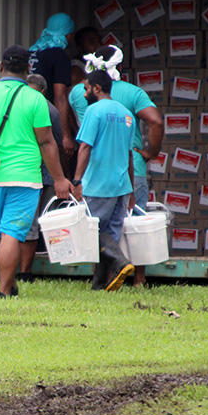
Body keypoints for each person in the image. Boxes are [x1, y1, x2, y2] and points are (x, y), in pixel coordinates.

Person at [0, 44, 72, 298]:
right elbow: (47, 143)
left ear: (0, 67)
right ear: (28, 68)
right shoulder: (35, 99)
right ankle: (4, 290)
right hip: (25, 178)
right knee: (12, 233)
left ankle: (9, 283)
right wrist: (60, 178)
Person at [81, 45, 163, 286]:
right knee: (127, 227)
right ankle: (134, 279)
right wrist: (151, 152)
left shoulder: (83, 95)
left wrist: (76, 177)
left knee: (94, 226)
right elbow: (155, 122)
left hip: (96, 175)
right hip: (129, 173)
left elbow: (83, 141)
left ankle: (113, 268)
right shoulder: (131, 94)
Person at [72, 69, 136, 292]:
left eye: (86, 88)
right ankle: (99, 284)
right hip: (121, 186)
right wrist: (132, 189)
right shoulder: (127, 114)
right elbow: (130, 155)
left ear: (97, 89)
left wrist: (77, 180)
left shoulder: (94, 111)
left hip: (98, 184)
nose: (84, 93)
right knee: (109, 233)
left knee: (92, 232)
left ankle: (120, 262)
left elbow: (85, 147)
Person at [19, 73, 66, 282]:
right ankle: (25, 273)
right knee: (33, 222)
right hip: (38, 174)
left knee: (21, 223)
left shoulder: (17, 106)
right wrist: (59, 176)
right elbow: (56, 145)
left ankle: (16, 271)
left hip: (22, 172)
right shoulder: (51, 111)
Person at [29, 13, 78, 157]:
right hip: (46, 120)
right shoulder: (59, 56)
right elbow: (60, 97)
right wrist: (65, 136)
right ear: (68, 36)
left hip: (27, 119)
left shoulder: (31, 52)